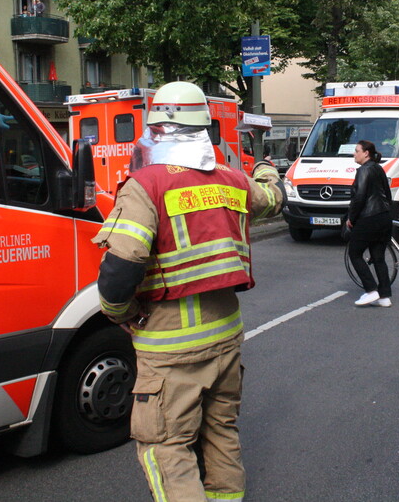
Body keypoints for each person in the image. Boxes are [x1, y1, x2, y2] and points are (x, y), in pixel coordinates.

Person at [92, 81, 283, 502]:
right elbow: (272, 197)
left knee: (166, 446)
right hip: (226, 334)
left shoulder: (147, 184)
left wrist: (118, 313)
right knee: (220, 431)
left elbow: (120, 270)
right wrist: (266, 168)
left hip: (170, 345)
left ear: (157, 129)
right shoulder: (232, 180)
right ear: (204, 129)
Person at [347, 140, 394, 307]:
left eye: (356, 150)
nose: (354, 153)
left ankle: (371, 290)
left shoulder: (363, 171)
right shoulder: (378, 168)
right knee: (379, 257)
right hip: (384, 217)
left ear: (366, 153)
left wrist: (351, 218)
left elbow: (359, 198)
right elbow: (387, 194)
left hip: (368, 218)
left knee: (355, 253)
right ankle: (385, 296)